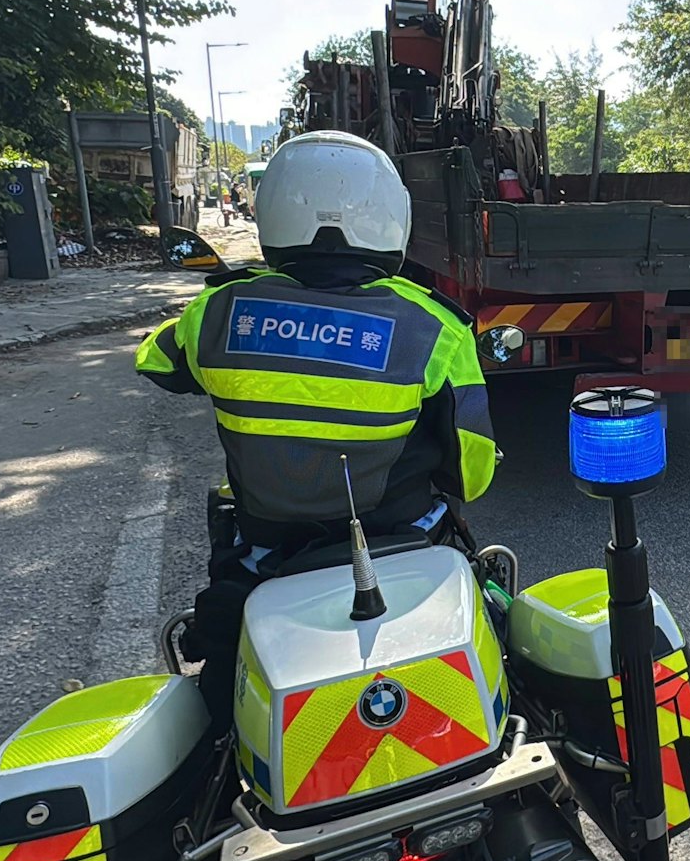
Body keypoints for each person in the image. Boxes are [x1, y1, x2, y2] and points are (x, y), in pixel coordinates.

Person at [136, 130, 496, 721]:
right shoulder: (434, 327)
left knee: (218, 725)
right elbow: (473, 472)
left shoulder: (216, 312)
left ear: (273, 211)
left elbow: (153, 360)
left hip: (264, 560)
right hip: (402, 544)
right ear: (391, 218)